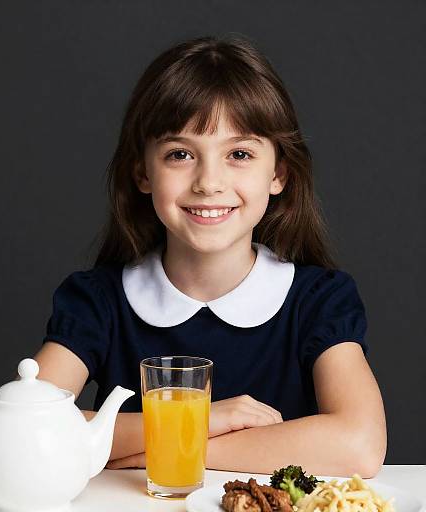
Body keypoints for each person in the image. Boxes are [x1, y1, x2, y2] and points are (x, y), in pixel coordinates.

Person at [32, 34, 386, 476]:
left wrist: (175, 446)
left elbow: (359, 445)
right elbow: (27, 426)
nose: (208, 181)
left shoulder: (319, 300)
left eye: (239, 154)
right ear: (143, 172)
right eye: (180, 154)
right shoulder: (97, 300)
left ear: (278, 173)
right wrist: (204, 419)